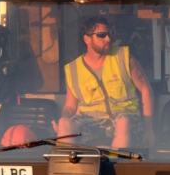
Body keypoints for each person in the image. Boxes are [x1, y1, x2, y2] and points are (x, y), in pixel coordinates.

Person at [58, 17, 154, 148]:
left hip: (126, 118)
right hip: (91, 121)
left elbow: (146, 90)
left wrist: (149, 130)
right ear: (87, 39)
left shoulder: (124, 58)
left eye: (109, 34)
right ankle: (67, 168)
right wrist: (64, 119)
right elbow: (70, 106)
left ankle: (117, 166)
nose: (108, 39)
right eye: (102, 35)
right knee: (64, 123)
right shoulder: (72, 69)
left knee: (123, 122)